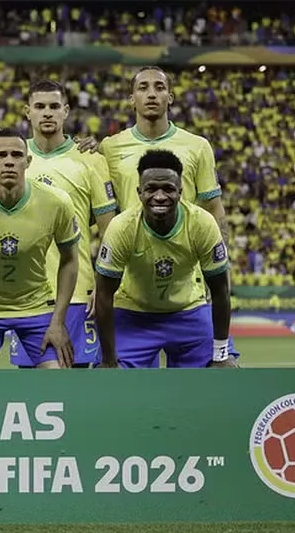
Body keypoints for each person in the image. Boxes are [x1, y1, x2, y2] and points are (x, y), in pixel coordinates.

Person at [79, 65, 239, 363]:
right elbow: (96, 211)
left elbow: (214, 211)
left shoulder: (197, 146)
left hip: (185, 285)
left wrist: (219, 265)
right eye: (143, 88)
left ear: (171, 97)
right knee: (119, 388)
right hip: (131, 286)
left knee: (221, 374)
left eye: (159, 87)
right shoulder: (109, 148)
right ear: (132, 99)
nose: (151, 94)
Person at [7, 80, 119, 369]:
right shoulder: (13, 159)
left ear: (66, 111)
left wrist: (102, 284)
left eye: (54, 106)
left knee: (79, 383)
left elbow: (109, 230)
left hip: (79, 293)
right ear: (27, 111)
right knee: (34, 389)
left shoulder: (89, 159)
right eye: (40, 106)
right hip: (26, 295)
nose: (47, 113)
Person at [0, 129, 81, 369]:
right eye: (0, 155)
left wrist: (58, 321)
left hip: (37, 306)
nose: (9, 161)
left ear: (28, 161)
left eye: (16, 155)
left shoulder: (56, 202)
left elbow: (70, 260)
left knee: (58, 379)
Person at [93, 150, 234, 369]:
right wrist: (109, 360)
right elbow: (103, 294)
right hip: (133, 313)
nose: (159, 196)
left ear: (180, 191)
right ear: (139, 192)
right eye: (151, 189)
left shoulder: (202, 224)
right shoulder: (122, 228)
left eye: (168, 189)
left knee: (225, 371)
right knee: (111, 382)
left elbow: (220, 290)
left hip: (188, 311)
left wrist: (221, 354)